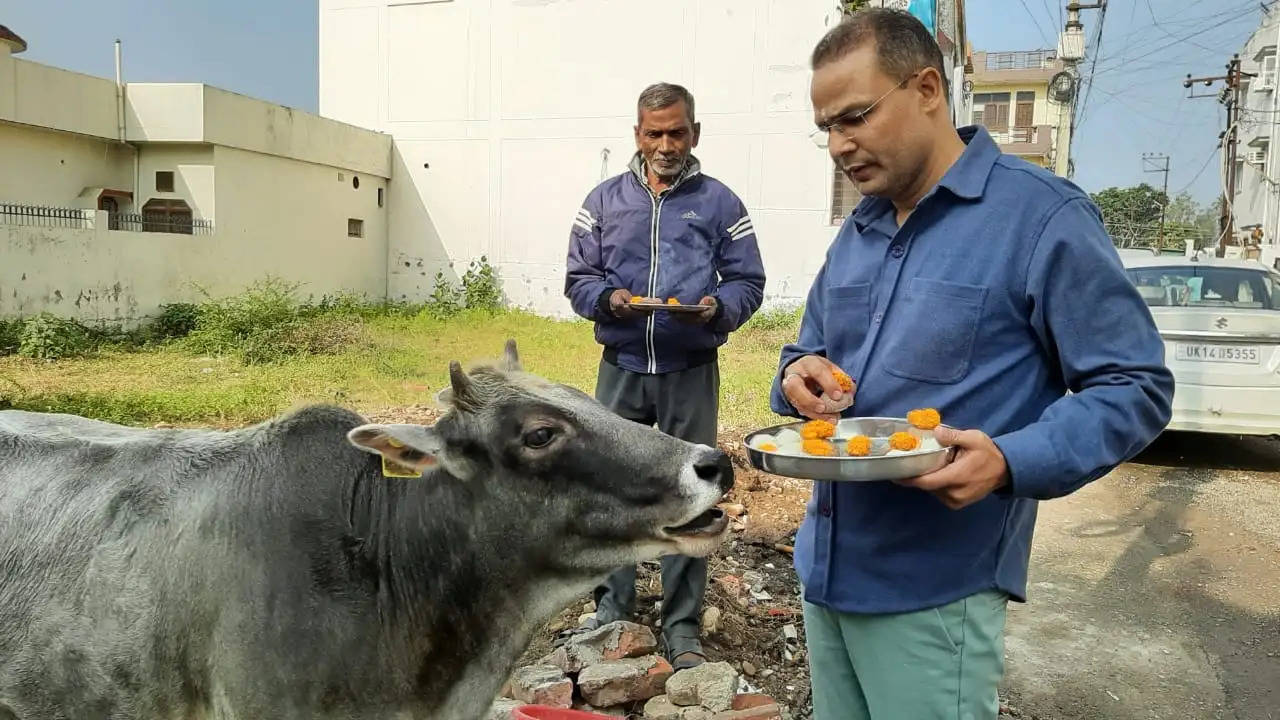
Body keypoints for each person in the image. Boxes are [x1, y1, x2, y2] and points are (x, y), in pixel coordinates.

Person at [770, 9, 1174, 719]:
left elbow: (1133, 385)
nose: (839, 144)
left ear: (927, 88)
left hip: (935, 591)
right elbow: (808, 350)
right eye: (827, 127)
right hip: (825, 570)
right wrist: (798, 373)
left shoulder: (1039, 218)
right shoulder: (859, 231)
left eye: (855, 117)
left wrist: (1010, 461)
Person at [563, 82, 766, 670]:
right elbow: (578, 279)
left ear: (695, 134)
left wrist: (717, 309)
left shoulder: (721, 204)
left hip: (689, 371)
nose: (665, 143)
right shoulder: (602, 203)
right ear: (637, 135)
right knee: (613, 492)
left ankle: (682, 631)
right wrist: (609, 300)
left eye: (677, 131)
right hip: (622, 368)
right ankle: (614, 616)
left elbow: (748, 283)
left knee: (693, 497)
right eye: (654, 133)